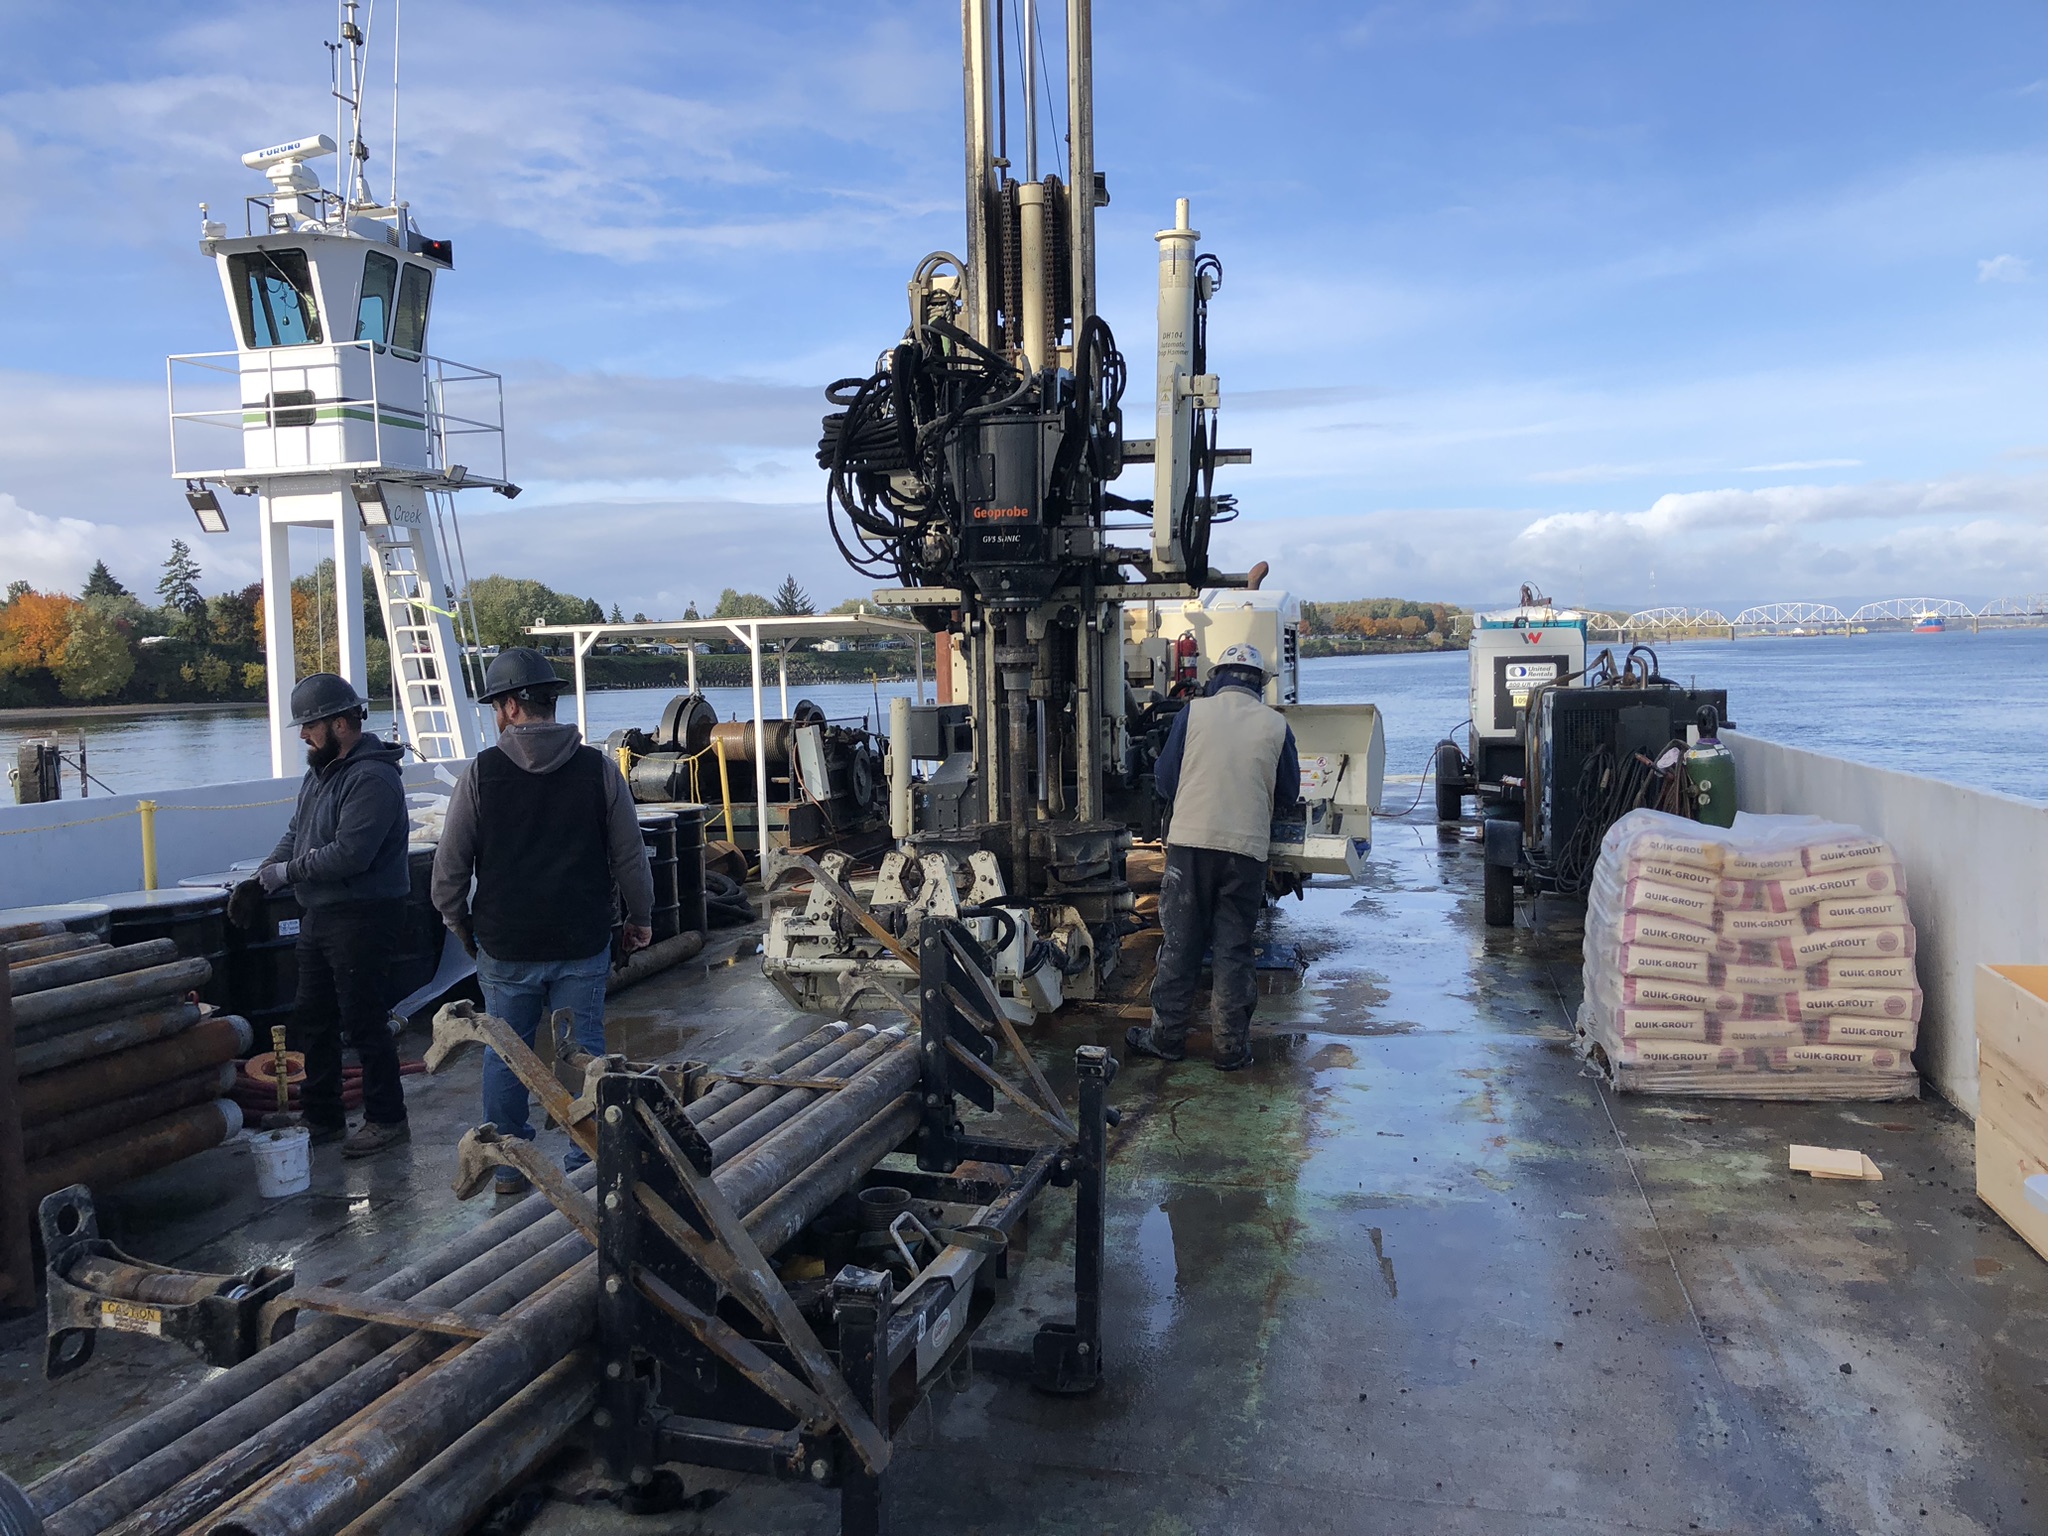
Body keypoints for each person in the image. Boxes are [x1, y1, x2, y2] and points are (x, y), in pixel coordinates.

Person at [432, 647, 654, 1194]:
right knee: (584, 1052)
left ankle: (509, 1166)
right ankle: (590, 1159)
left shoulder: (480, 775)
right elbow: (630, 857)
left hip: (506, 945)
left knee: (508, 1054)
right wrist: (640, 919)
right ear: (551, 702)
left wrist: (466, 929)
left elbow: (448, 875)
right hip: (582, 939)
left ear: (508, 707)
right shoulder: (598, 770)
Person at [255, 672, 413, 1155]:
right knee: (313, 1018)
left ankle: (387, 1119)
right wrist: (267, 869)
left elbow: (351, 854)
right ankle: (321, 1117)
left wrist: (288, 873)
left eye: (309, 726)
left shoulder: (372, 778)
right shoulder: (319, 774)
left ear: (341, 724)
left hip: (364, 915)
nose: (303, 735)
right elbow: (297, 830)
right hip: (321, 914)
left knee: (363, 1021)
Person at [1125, 643, 1301, 1072]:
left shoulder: (1194, 714)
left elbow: (1165, 780)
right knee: (1234, 948)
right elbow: (1289, 794)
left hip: (1190, 847)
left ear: (1216, 676)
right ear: (1260, 683)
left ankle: (1166, 1040)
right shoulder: (1277, 726)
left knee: (1181, 945)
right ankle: (1230, 1049)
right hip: (1245, 852)